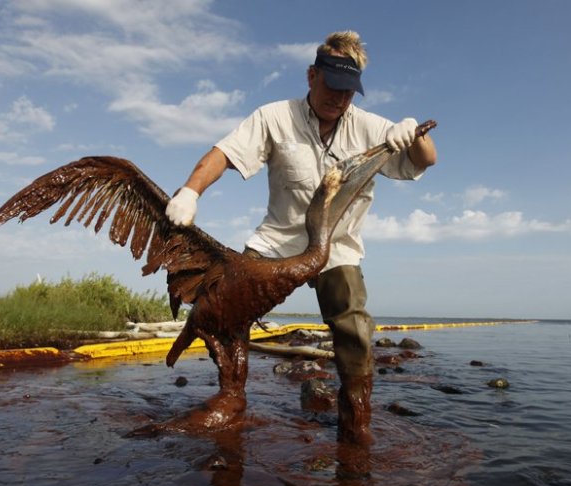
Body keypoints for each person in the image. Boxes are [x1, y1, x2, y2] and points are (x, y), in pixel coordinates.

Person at [166, 30, 437, 445]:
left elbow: (427, 159)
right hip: (277, 241)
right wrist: (190, 191)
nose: (340, 98)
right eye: (333, 86)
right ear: (312, 76)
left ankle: (356, 421)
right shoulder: (274, 117)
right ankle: (231, 396)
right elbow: (224, 153)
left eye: (349, 91)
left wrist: (414, 136)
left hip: (337, 245)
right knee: (225, 306)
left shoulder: (372, 128)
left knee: (353, 327)